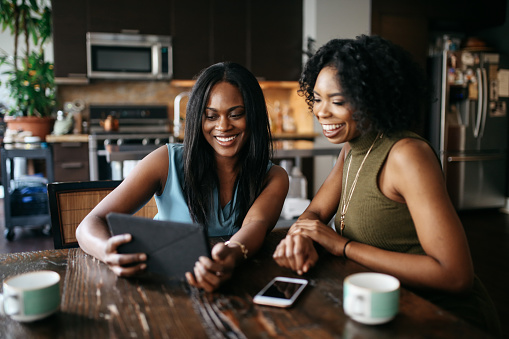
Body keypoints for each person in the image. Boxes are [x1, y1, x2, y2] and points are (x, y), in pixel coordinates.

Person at [272, 35, 501, 336]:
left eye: (338, 100)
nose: (321, 112)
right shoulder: (351, 148)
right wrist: (301, 238)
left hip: (439, 316)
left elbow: (455, 276)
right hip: (378, 304)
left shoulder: (407, 155)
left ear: (371, 98)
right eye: (316, 98)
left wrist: (343, 246)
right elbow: (313, 214)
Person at [76, 62, 289, 292]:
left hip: (233, 288)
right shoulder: (165, 161)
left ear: (254, 116)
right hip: (163, 286)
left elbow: (256, 224)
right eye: (211, 116)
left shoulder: (273, 177)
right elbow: (88, 224)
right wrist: (107, 250)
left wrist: (232, 253)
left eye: (236, 114)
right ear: (198, 118)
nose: (223, 126)